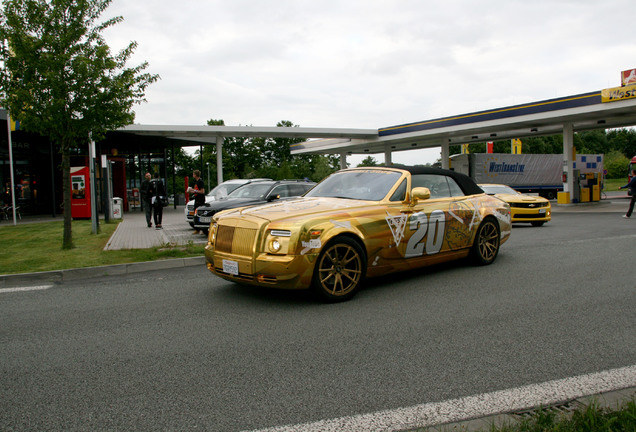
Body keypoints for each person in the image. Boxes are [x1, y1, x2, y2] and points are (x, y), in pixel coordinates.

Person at [187, 170, 206, 234]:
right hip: (197, 199)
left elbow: (202, 191)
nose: (193, 175)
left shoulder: (200, 182)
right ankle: (197, 229)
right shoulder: (196, 182)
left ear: (196, 175)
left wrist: (195, 191)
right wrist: (192, 191)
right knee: (196, 214)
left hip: (200, 200)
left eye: (193, 174)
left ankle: (202, 229)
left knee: (200, 214)